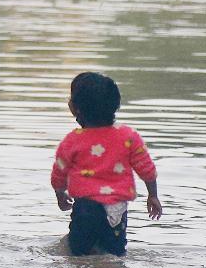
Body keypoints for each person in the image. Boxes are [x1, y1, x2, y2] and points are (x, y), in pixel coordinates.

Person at [51, 72, 162, 256]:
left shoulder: (72, 141)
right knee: (114, 255)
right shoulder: (128, 137)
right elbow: (147, 170)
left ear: (74, 108)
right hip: (116, 210)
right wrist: (153, 195)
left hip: (85, 209)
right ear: (115, 107)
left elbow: (59, 174)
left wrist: (60, 194)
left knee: (79, 255)